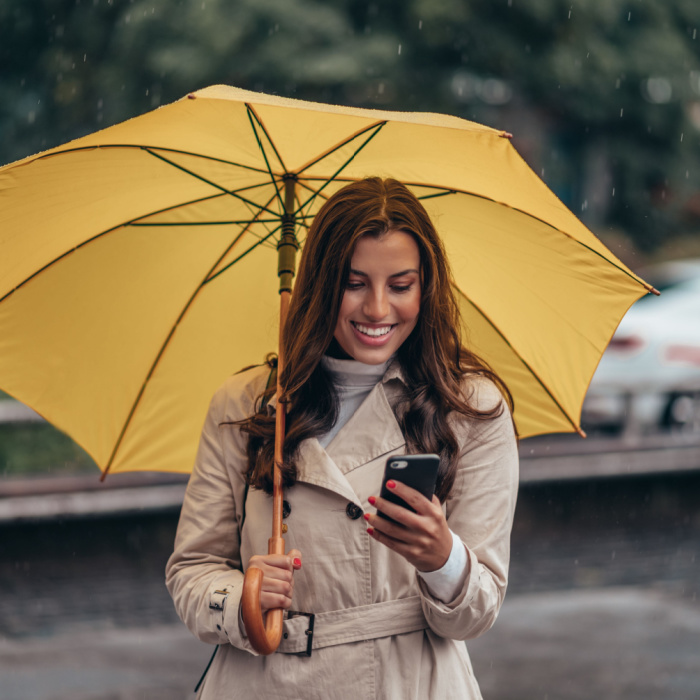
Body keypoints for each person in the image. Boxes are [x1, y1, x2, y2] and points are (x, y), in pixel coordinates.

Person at [165, 177, 519, 699]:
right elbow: (192, 569)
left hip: (407, 683)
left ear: (427, 288)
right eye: (354, 283)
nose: (377, 310)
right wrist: (243, 597)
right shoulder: (246, 404)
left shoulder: (471, 408)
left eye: (401, 286)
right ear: (320, 284)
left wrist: (443, 558)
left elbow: (477, 610)